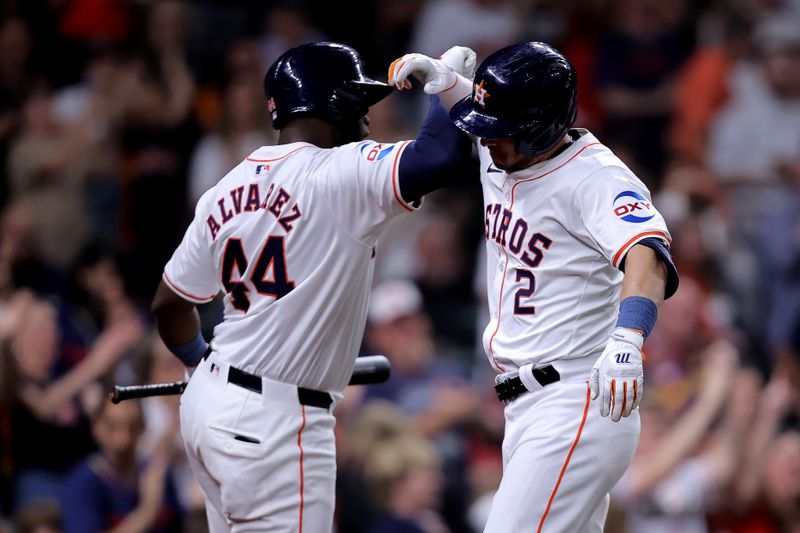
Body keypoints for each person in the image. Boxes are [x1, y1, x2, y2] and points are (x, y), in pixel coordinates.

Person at [150, 42, 472, 531]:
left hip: (210, 407)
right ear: (330, 105)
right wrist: (446, 87)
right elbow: (442, 155)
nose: (366, 122)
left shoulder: (224, 188)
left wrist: (197, 360)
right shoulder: (338, 173)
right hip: (275, 423)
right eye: (358, 106)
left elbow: (169, 303)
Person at [389, 41, 679, 532]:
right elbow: (475, 107)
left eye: (499, 131)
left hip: (575, 399)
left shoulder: (595, 177)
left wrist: (629, 337)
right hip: (526, 408)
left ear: (542, 125)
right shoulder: (505, 149)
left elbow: (646, 253)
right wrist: (443, 82)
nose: (485, 140)